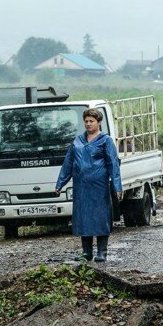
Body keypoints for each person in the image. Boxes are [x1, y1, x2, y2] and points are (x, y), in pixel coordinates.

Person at [55, 108, 122, 262]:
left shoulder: (105, 140)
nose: (88, 124)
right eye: (86, 121)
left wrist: (117, 186)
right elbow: (68, 163)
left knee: (100, 217)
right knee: (83, 217)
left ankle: (102, 252)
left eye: (91, 121)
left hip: (99, 186)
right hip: (81, 186)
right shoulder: (77, 141)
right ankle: (86, 252)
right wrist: (60, 184)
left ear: (98, 122)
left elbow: (113, 164)